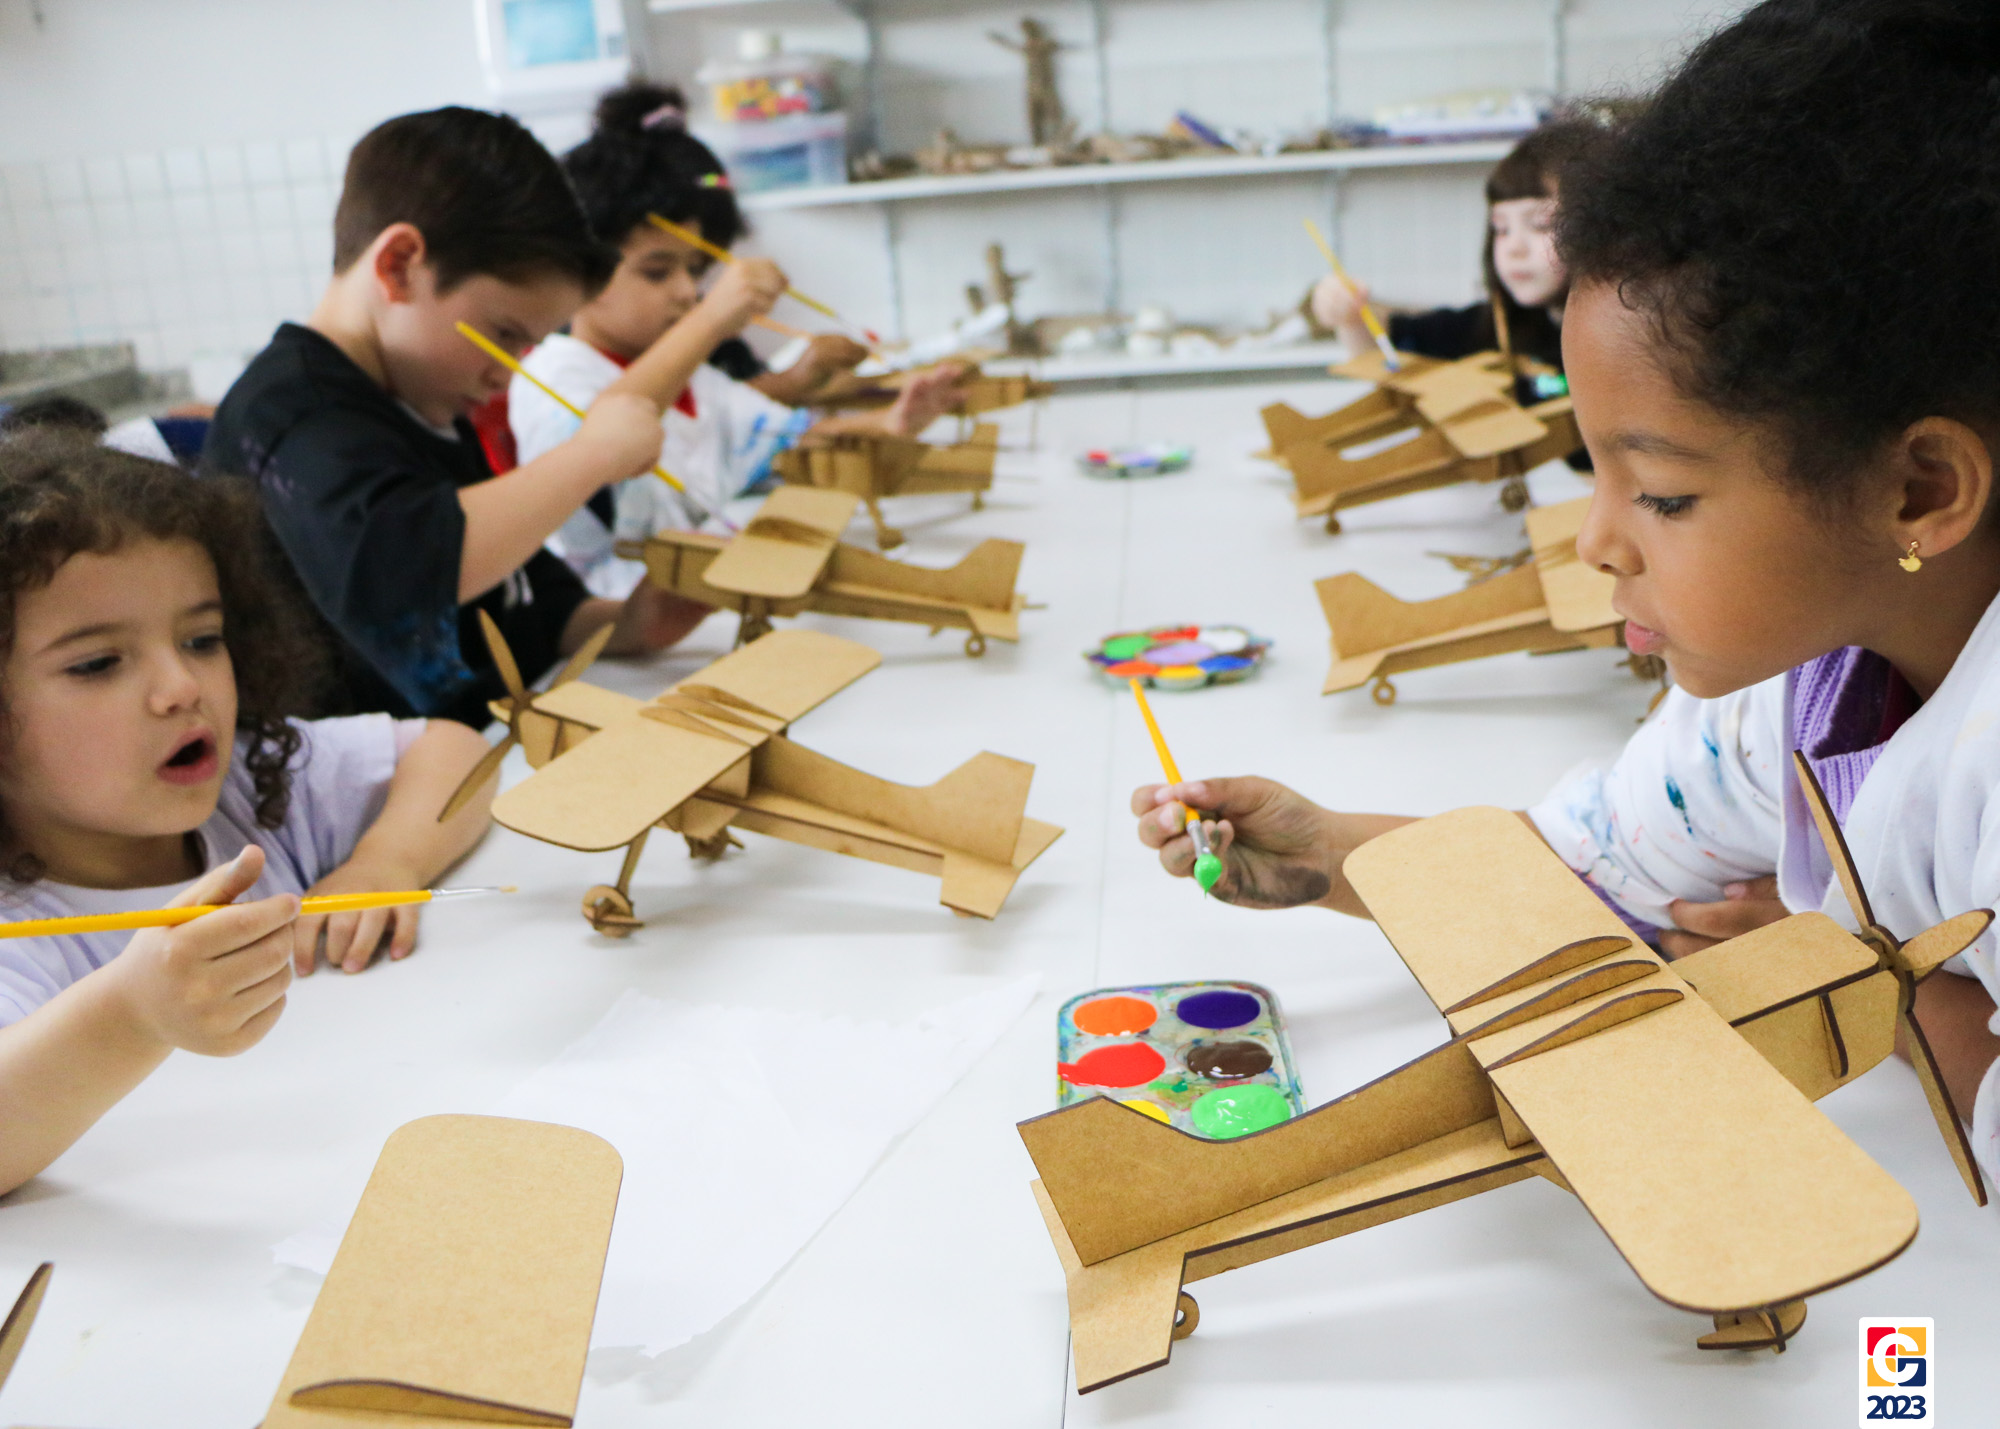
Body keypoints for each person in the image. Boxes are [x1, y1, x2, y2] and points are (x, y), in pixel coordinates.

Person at [1137, 0, 2000, 1187]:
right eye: (1594, 471)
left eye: (1661, 495)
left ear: (1916, 491)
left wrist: (1866, 980)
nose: (1594, 541)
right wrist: (1325, 853)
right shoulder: (1796, 682)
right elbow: (1592, 869)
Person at [0, 434, 495, 1194]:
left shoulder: (252, 785)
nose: (182, 686)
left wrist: (386, 860)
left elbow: (455, 751)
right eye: (98, 663)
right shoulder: (19, 931)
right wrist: (132, 1015)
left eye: (202, 639)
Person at [204, 106, 781, 726]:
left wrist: (630, 624)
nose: (508, 373)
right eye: (504, 334)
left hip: (500, 737)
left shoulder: (424, 398)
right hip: (395, 779)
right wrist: (593, 454)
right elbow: (412, 569)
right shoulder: (291, 415)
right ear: (398, 265)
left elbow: (525, 600)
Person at [512, 83, 968, 596]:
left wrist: (891, 422)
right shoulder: (551, 377)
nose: (687, 292)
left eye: (695, 269)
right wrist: (709, 322)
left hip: (695, 600)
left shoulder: (696, 382)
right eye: (657, 272)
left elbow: (785, 437)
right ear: (581, 271)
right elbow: (598, 442)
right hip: (613, 618)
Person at [1305, 115, 1610, 381]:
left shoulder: (1623, 343)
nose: (1514, 248)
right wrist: (1350, 317)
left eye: (1541, 225)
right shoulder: (1490, 328)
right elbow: (1385, 354)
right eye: (1502, 228)